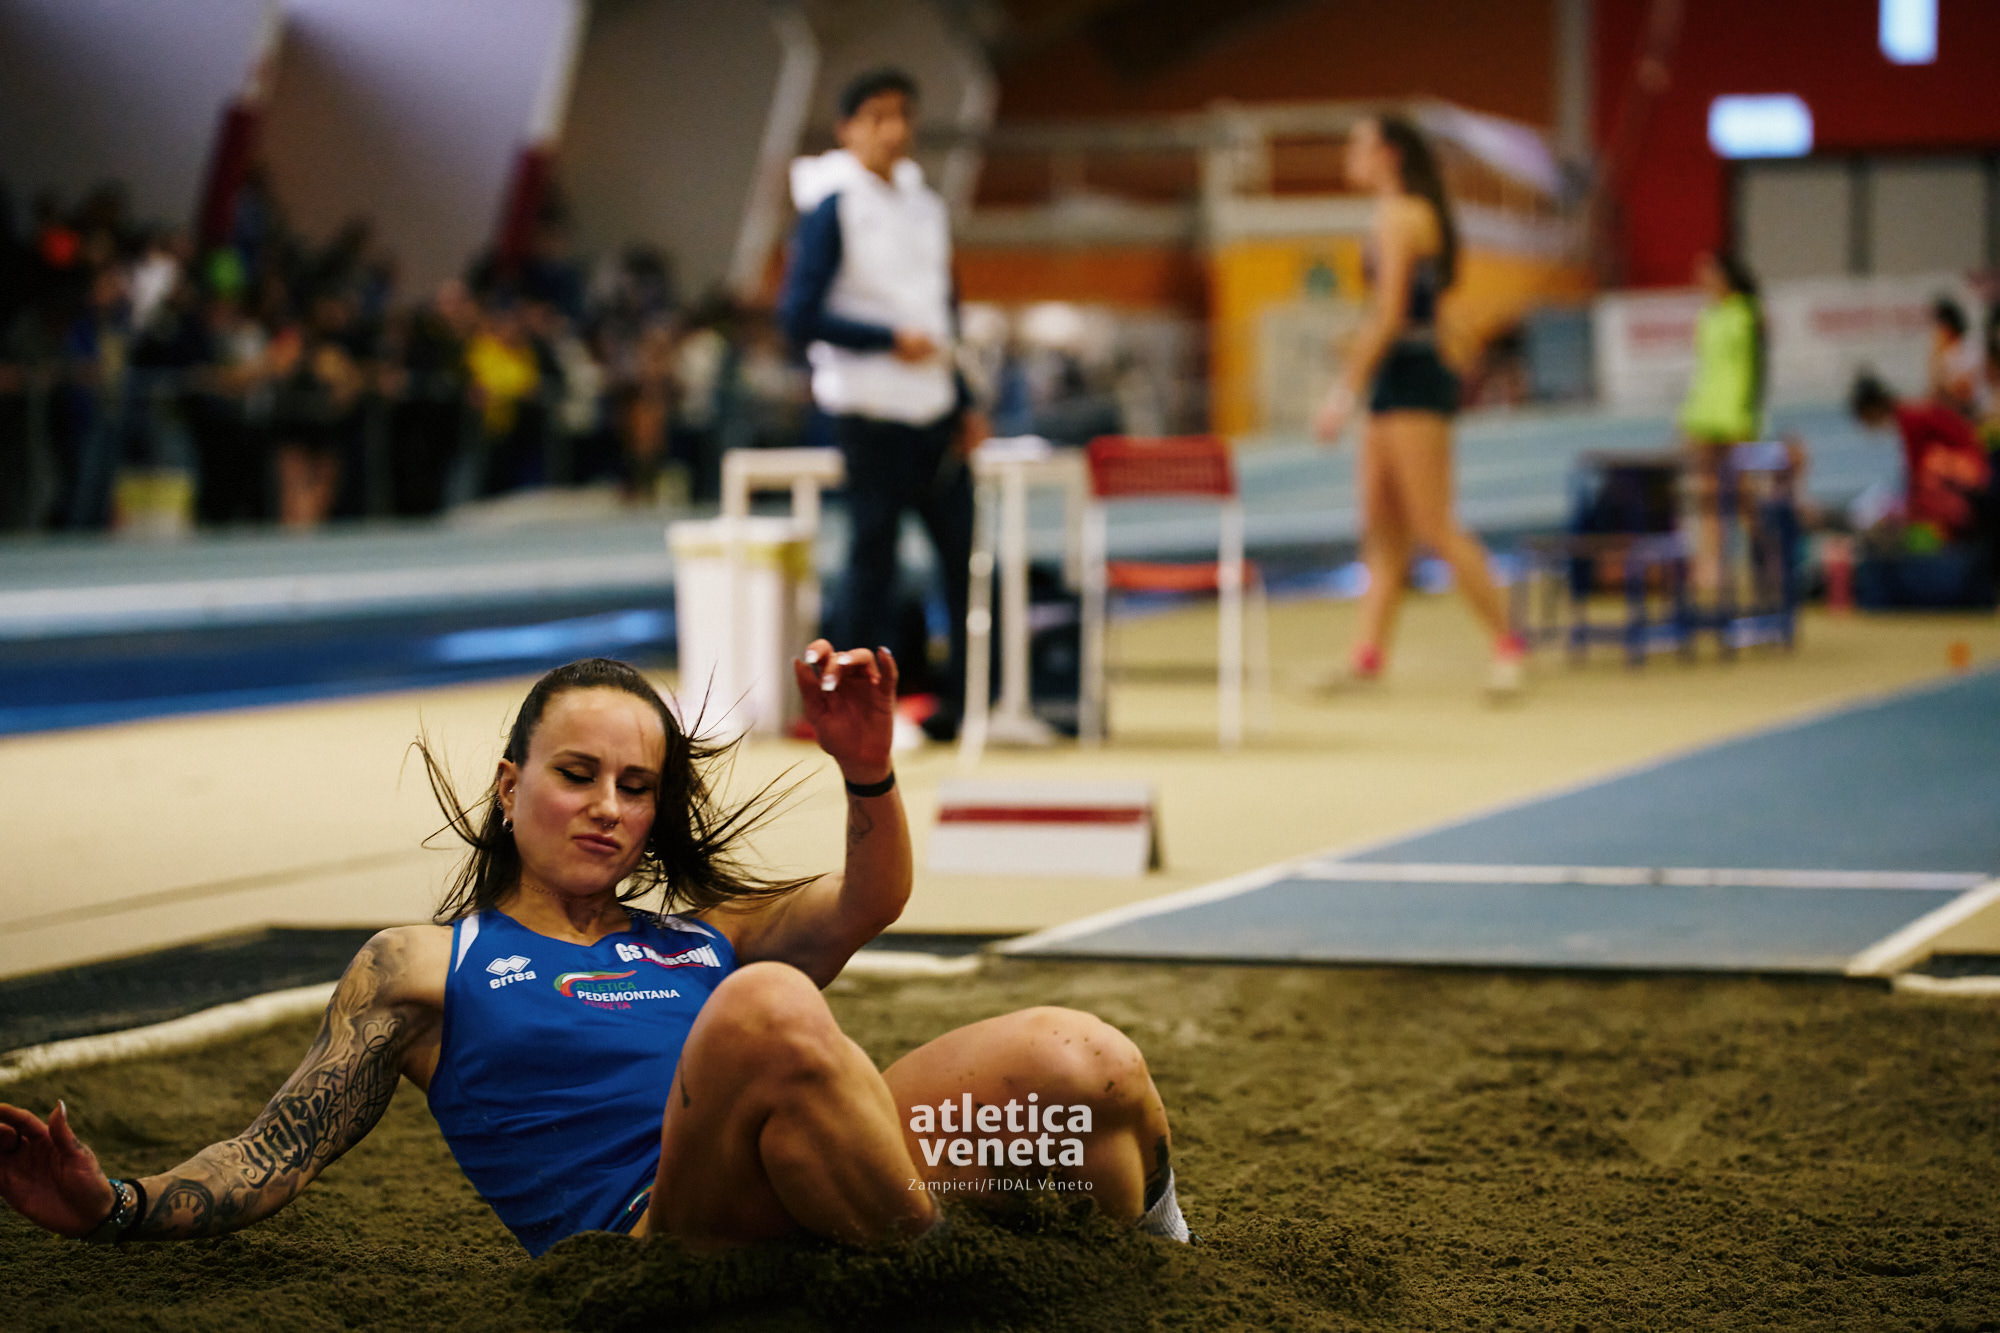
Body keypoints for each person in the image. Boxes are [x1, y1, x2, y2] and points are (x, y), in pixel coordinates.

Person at [0, 650, 1188, 1255]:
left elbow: (868, 899)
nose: (607, 807)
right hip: (663, 1250)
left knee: (1078, 1060)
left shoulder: (702, 933)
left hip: (821, 1175)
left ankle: (1148, 1262)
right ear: (510, 783)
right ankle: (951, 1277)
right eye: (576, 775)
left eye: (635, 785)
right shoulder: (423, 966)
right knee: (767, 1009)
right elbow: (276, 1149)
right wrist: (118, 1206)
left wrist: (865, 768)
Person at [779, 68, 985, 742]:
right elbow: (797, 315)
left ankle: (965, 701)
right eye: (876, 117)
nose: (892, 130)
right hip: (869, 410)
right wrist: (886, 340)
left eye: (902, 115)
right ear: (847, 129)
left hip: (934, 408)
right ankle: (846, 706)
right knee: (874, 561)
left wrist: (964, 398)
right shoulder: (831, 206)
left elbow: (944, 312)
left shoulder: (925, 206)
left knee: (964, 558)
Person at [1312, 115, 1525, 695]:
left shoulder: (1402, 216)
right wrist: (1361, 353)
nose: (1348, 154)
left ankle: (1508, 644)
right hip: (1394, 377)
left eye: (1357, 144)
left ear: (1389, 153)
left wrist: (1341, 393)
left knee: (1433, 524)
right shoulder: (1396, 215)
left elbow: (1391, 316)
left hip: (1412, 382)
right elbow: (1409, 312)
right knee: (1382, 530)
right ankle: (1367, 656)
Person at [1677, 250, 1766, 600]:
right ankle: (1712, 566)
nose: (1703, 279)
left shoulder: (1749, 312)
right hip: (1704, 414)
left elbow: (1756, 371)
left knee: (1744, 495)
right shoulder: (1707, 317)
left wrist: (1748, 413)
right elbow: (1704, 371)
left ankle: (1763, 560)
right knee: (1707, 495)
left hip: (1735, 414)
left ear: (1725, 275)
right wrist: (1690, 416)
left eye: (1709, 273)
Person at [1849, 373, 1992, 551]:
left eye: (1865, 418)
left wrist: (1908, 510)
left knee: (1925, 484)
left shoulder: (1910, 417)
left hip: (1970, 472)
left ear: (1872, 409)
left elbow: (1916, 468)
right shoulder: (1908, 413)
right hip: (1966, 470)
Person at [1927, 296, 1987, 422]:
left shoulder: (1969, 346)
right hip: (1950, 407)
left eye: (1941, 325)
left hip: (1971, 409)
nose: (1938, 330)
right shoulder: (1942, 349)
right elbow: (1935, 383)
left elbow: (1964, 387)